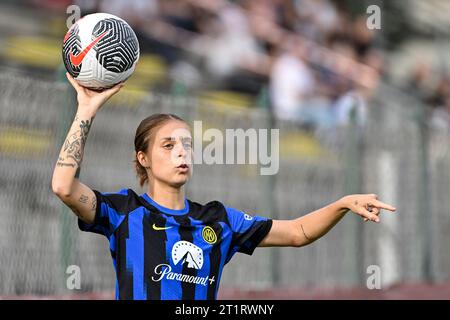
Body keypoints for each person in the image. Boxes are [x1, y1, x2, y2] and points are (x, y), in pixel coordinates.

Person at [52, 73, 396, 300]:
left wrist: (342, 203)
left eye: (187, 144)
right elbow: (64, 187)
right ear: (142, 158)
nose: (181, 153)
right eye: (168, 146)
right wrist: (86, 110)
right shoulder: (124, 212)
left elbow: (297, 233)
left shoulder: (218, 220)